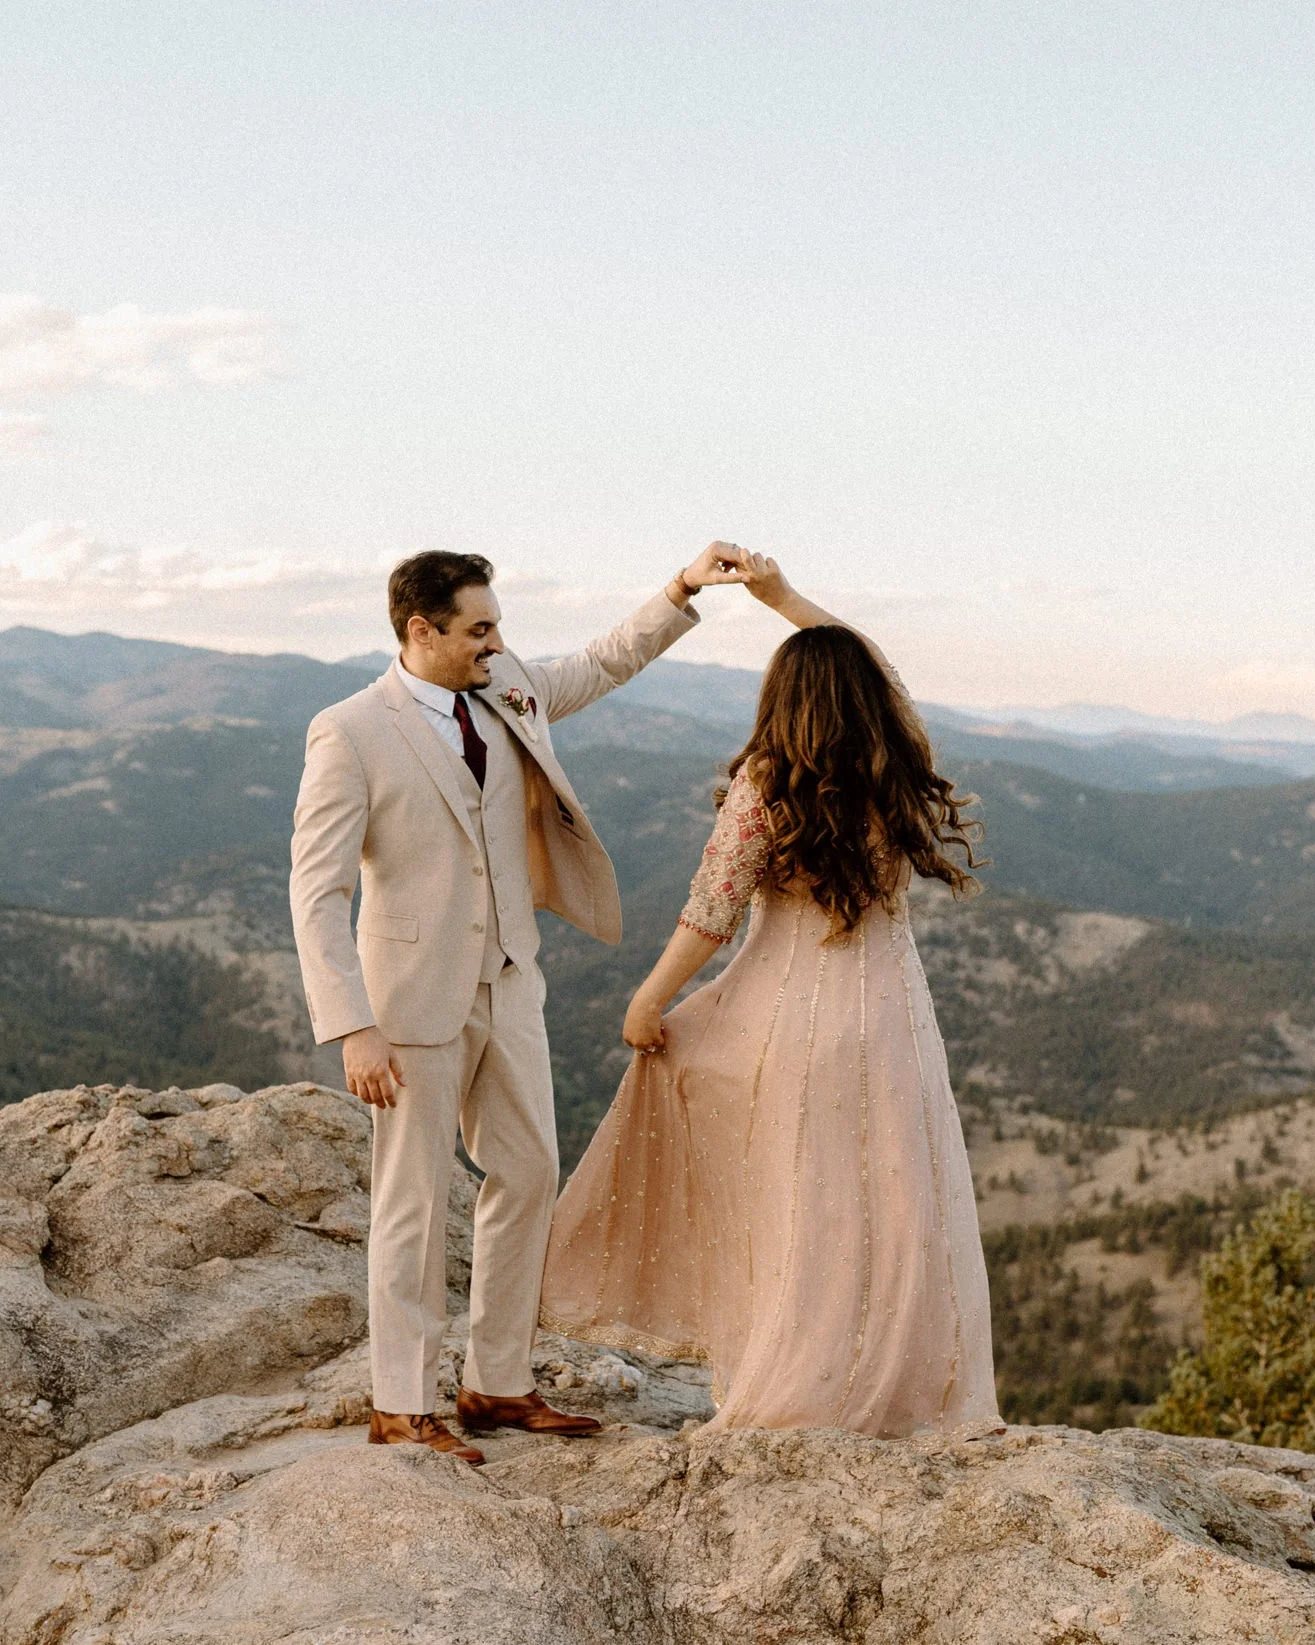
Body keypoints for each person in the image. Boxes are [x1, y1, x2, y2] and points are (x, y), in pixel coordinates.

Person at [290, 543, 750, 1462]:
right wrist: (351, 1025)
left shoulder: (506, 689)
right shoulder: (349, 731)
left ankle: (496, 1382)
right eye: (479, 628)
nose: (497, 643)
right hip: (410, 1000)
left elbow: (601, 662)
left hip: (511, 977)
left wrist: (681, 589)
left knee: (530, 1170)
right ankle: (402, 1400)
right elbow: (315, 891)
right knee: (413, 1200)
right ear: (422, 631)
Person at [539, 552, 1000, 1436]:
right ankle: (901, 1385)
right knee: (896, 1200)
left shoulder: (769, 782)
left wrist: (649, 998)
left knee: (798, 1203)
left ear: (780, 702)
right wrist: (784, 598)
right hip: (893, 1018)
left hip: (788, 1020)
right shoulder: (896, 759)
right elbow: (884, 671)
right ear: (868, 696)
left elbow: (711, 911)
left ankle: (796, 1374)